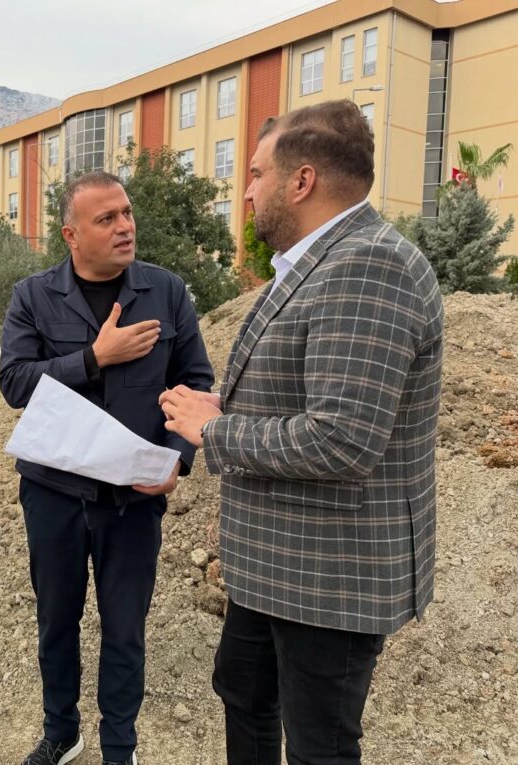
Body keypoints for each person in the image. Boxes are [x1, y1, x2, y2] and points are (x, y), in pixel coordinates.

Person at [159, 100, 444, 765]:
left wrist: (217, 430)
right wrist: (230, 405)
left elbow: (342, 438)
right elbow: (310, 391)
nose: (247, 190)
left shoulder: (368, 266)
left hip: (329, 576)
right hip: (276, 562)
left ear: (302, 181)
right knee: (243, 691)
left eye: (257, 173)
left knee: (319, 746)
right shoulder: (317, 262)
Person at [0, 171, 214, 765]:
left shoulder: (166, 291)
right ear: (71, 235)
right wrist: (94, 357)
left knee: (125, 630)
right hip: (54, 495)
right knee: (56, 623)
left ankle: (120, 747)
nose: (125, 226)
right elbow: (14, 383)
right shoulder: (33, 296)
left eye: (127, 213)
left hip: (134, 498)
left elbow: (195, 382)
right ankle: (61, 733)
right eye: (107, 218)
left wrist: (178, 461)